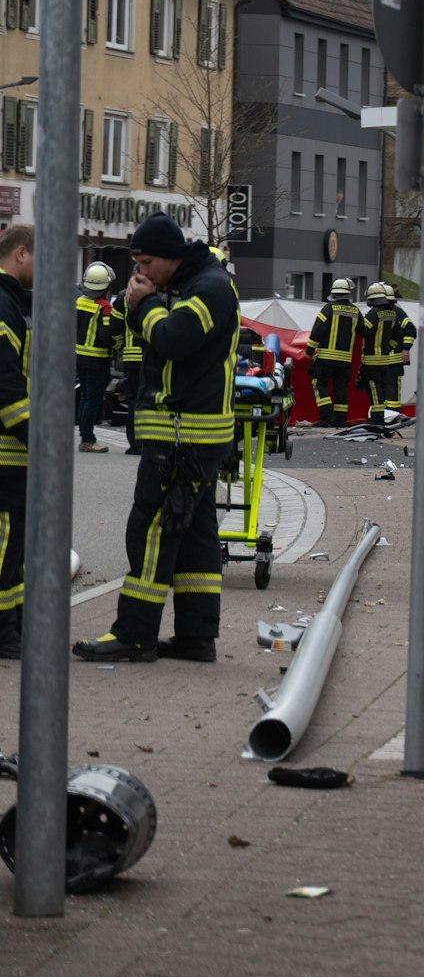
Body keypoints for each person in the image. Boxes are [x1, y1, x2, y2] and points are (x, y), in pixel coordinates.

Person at [73, 214, 239, 664]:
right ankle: (195, 637)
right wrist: (139, 304)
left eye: (145, 263)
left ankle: (135, 633)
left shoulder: (209, 288)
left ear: (169, 257)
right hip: (188, 435)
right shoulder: (182, 285)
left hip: (184, 437)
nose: (139, 273)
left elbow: (172, 339)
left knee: (150, 529)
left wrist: (144, 306)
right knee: (196, 535)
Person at [0, 226, 34, 660]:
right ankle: (4, 631)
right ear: (21, 253)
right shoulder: (5, 304)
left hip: (12, 450)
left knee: (13, 545)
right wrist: (37, 437)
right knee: (6, 544)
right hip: (7, 451)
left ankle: (16, 624)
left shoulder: (12, 302)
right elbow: (6, 382)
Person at [75, 261, 119, 453]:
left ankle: (85, 436)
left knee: (85, 397)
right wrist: (119, 345)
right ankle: (88, 439)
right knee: (92, 399)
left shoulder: (78, 302)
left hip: (79, 358)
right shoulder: (104, 308)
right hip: (98, 360)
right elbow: (106, 334)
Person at [357, 282, 415, 427]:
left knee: (384, 389)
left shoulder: (388, 312)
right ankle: (389, 416)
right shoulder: (392, 313)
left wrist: (404, 349)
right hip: (386, 358)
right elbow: (395, 334)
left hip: (383, 359)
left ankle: (387, 416)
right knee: (384, 389)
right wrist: (390, 345)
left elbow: (410, 330)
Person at [305, 277, 359, 428]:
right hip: (345, 360)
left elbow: (318, 330)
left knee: (318, 382)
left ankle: (326, 417)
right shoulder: (355, 311)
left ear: (334, 294)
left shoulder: (329, 308)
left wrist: (309, 350)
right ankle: (341, 420)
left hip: (326, 357)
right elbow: (364, 330)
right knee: (340, 388)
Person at [110, 279, 146, 453]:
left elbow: (114, 327)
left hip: (131, 358)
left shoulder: (124, 296)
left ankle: (134, 444)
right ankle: (148, 442)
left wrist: (119, 345)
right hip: (151, 358)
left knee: (133, 401)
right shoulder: (159, 294)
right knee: (150, 400)